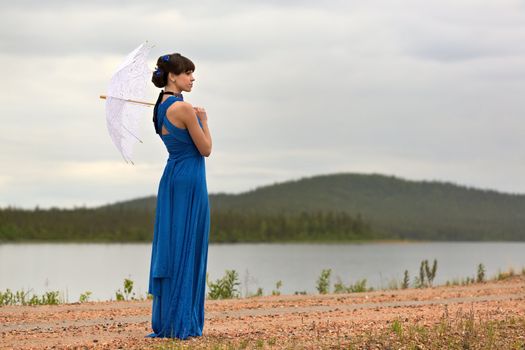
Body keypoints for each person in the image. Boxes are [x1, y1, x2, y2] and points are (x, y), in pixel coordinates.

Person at [145, 53, 212, 339]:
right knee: (188, 244)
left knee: (174, 243)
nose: (192, 78)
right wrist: (204, 120)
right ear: (173, 76)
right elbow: (205, 148)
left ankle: (170, 317)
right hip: (189, 177)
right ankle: (182, 320)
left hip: (171, 176)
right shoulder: (183, 110)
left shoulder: (160, 107)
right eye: (188, 73)